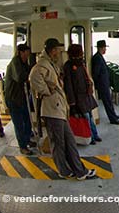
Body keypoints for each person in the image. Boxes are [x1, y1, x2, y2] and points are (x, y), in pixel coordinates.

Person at [29, 38, 95, 180]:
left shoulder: (50, 64)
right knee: (58, 144)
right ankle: (65, 171)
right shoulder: (42, 64)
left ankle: (79, 170)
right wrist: (47, 91)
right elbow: (33, 78)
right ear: (52, 50)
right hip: (52, 110)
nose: (59, 52)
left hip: (59, 110)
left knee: (69, 141)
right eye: (58, 50)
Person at [63, 44, 101, 145]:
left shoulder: (81, 63)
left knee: (90, 116)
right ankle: (91, 137)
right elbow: (69, 85)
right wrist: (72, 102)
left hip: (85, 95)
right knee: (86, 118)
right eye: (81, 51)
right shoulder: (68, 66)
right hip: (78, 97)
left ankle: (95, 135)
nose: (82, 53)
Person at [4, 44, 34, 155]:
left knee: (27, 120)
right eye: (26, 52)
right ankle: (22, 146)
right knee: (19, 124)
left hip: (22, 98)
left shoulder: (24, 63)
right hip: (13, 98)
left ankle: (27, 140)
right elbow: (20, 77)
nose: (28, 55)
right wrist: (31, 75)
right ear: (21, 52)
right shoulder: (15, 63)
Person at [92, 40, 119, 125]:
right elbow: (96, 73)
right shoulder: (97, 58)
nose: (105, 49)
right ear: (101, 48)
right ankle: (113, 119)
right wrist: (98, 85)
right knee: (107, 101)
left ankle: (114, 115)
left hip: (105, 83)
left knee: (109, 100)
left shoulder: (99, 56)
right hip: (102, 84)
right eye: (105, 47)